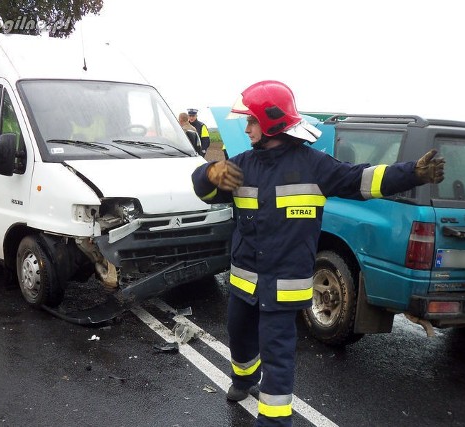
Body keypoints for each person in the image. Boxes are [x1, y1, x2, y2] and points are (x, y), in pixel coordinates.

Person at [190, 80, 445, 427]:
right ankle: (244, 378)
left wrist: (412, 173)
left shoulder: (315, 166)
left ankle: (275, 421)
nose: (246, 127)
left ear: (270, 123)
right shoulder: (240, 165)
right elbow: (204, 193)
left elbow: (364, 179)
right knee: (239, 336)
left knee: (279, 358)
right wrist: (209, 173)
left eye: (251, 121)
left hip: (284, 285)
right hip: (245, 281)